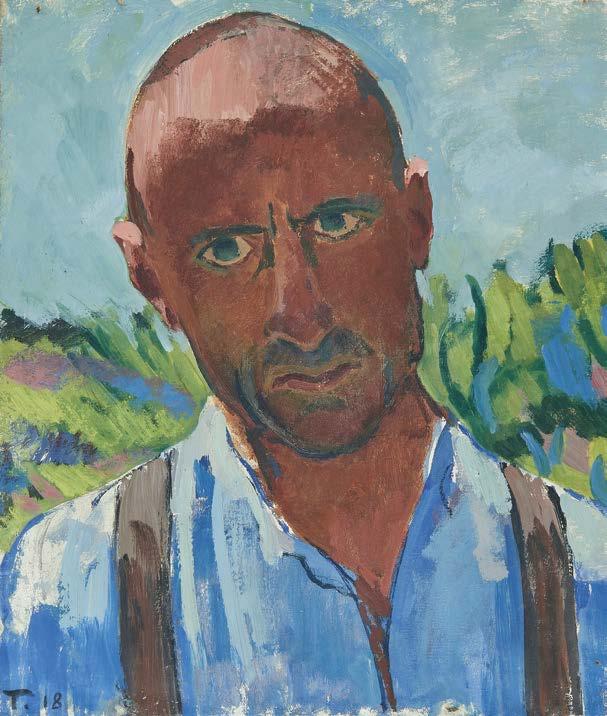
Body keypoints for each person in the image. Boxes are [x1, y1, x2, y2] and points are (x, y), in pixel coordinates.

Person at [1, 12, 606, 715]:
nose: (301, 312)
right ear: (150, 278)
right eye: (226, 249)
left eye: (336, 222)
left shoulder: (587, 576)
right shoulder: (63, 599)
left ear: (417, 219)